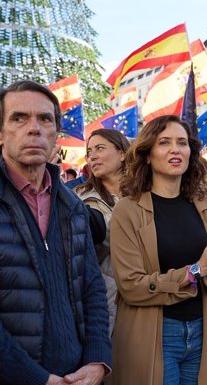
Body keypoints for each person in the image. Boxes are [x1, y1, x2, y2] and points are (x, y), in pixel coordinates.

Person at [0, 80, 111, 384]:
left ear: (56, 134)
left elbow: (92, 290)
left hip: (77, 376)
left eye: (45, 119)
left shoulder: (73, 207)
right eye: (19, 118)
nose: (34, 128)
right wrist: (37, 379)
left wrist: (97, 358)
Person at [109, 115, 207, 385]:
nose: (175, 149)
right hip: (153, 333)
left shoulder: (203, 204)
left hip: (200, 328)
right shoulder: (128, 210)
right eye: (164, 142)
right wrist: (196, 270)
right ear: (147, 154)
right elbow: (131, 286)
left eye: (182, 143)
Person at [76, 128, 130, 335]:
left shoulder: (146, 195)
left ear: (122, 153)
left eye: (100, 148)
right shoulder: (79, 200)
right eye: (89, 152)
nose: (93, 156)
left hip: (147, 295)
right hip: (106, 298)